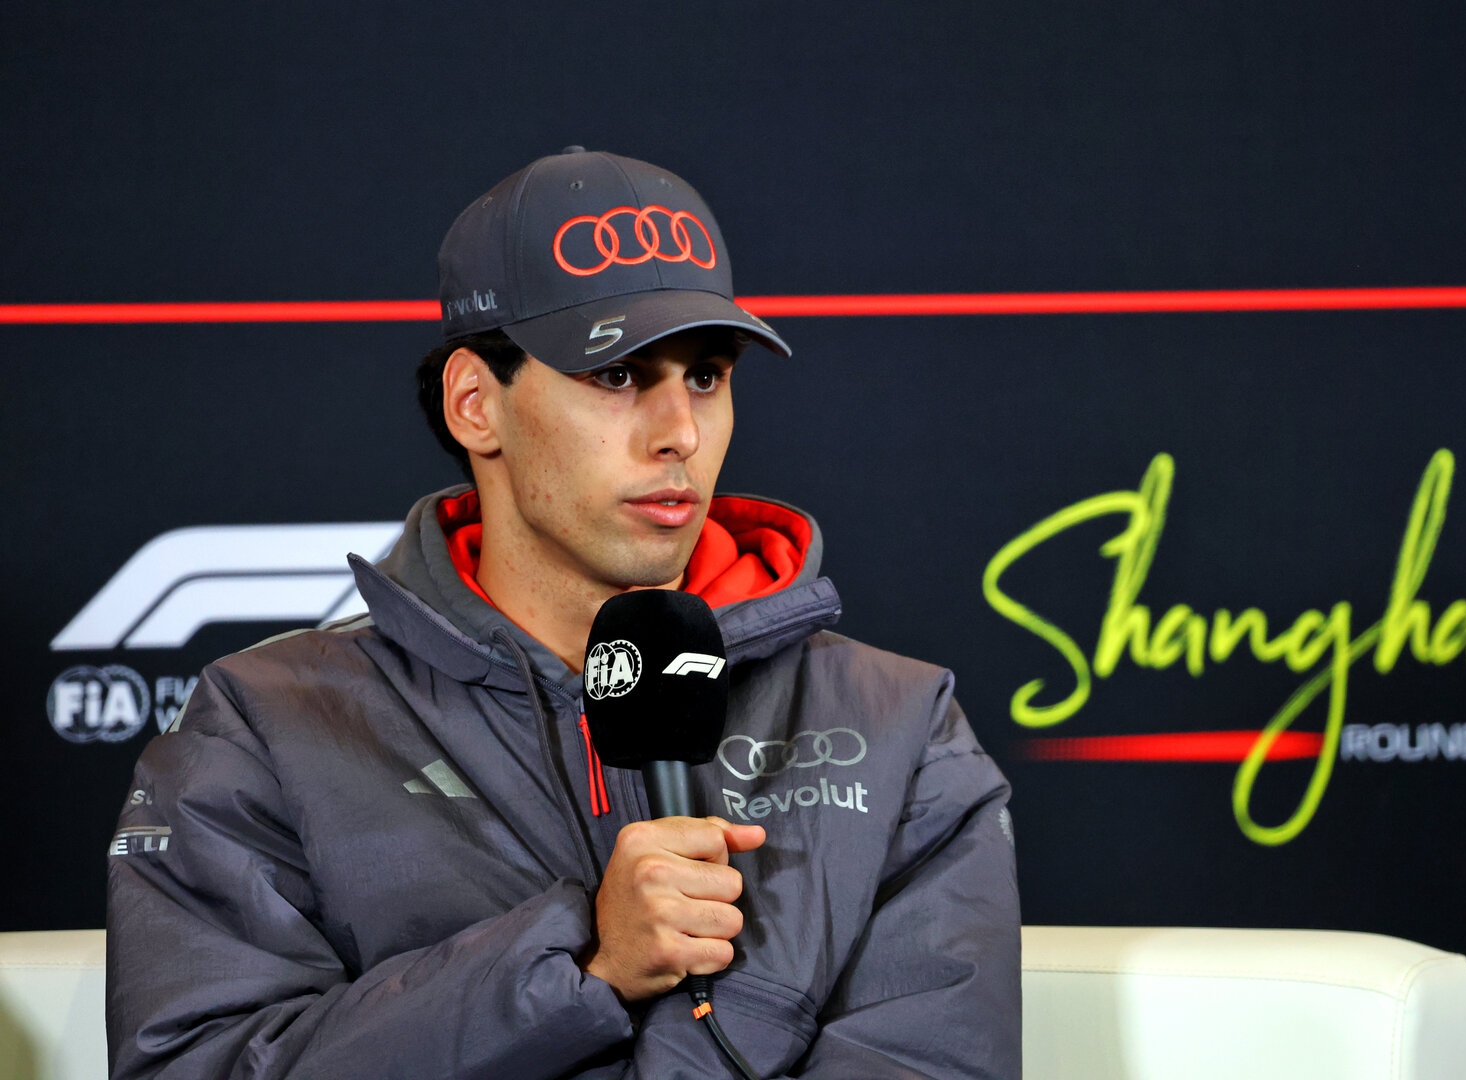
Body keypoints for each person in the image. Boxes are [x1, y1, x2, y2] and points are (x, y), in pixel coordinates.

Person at [105, 147, 1021, 1079]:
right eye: (618, 374)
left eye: (706, 375)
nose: (680, 434)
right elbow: (197, 1065)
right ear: (475, 404)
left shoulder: (898, 723)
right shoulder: (266, 725)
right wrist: (576, 966)